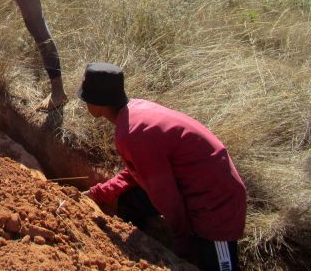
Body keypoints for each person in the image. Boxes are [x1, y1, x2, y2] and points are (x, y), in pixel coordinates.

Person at [79, 63, 247, 271]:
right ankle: (140, 249)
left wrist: (181, 245)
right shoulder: (135, 113)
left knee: (219, 266)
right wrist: (99, 193)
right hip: (192, 182)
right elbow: (137, 172)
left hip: (216, 198)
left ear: (97, 105)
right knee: (131, 200)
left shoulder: (132, 134)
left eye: (86, 100)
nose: (85, 105)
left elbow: (166, 196)